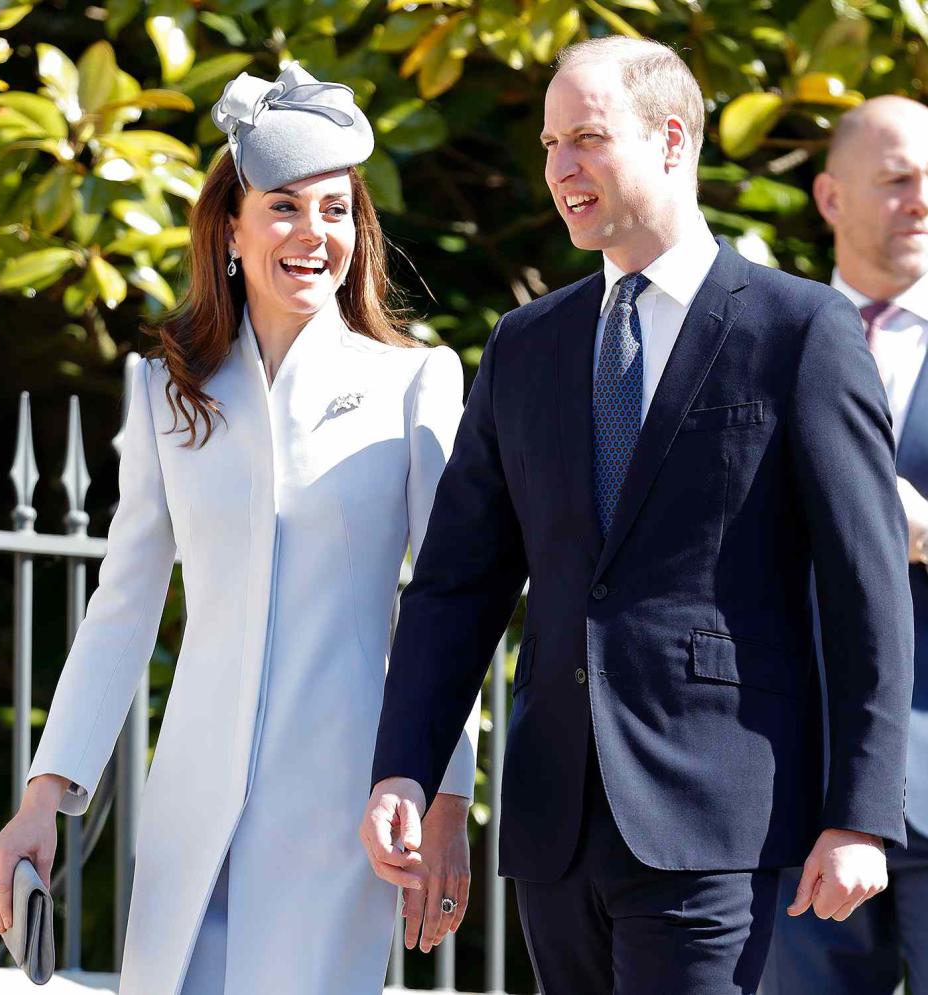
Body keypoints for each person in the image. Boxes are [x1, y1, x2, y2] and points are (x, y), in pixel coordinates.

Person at [360, 36, 914, 994]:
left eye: (585, 137)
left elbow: (867, 585)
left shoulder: (799, 330)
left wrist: (859, 813)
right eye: (546, 144)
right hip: (554, 817)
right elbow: (458, 581)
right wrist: (405, 767)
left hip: (716, 813)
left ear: (669, 140)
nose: (559, 168)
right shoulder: (526, 344)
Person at [0, 62, 479, 995]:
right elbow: (121, 611)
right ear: (232, 231)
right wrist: (46, 796)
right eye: (285, 207)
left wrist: (446, 796)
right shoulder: (164, 393)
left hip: (346, 813)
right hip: (190, 814)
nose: (313, 234)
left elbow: (447, 606)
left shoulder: (417, 382)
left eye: (335, 210)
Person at [762, 95, 928, 995]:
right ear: (829, 198)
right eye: (898, 180)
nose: (922, 201)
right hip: (800, 784)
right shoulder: (768, 336)